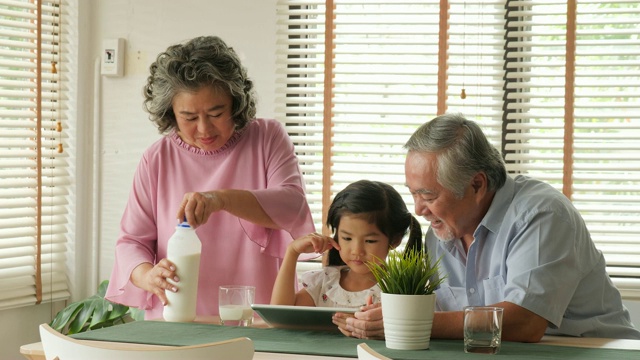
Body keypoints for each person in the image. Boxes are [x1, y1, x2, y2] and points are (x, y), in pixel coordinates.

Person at [333, 113, 640, 341]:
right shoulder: (440, 234)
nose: (419, 210)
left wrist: (406, 321)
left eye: (428, 195)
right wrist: (375, 318)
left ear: (476, 184)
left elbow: (526, 323)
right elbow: (443, 316)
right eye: (414, 193)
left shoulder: (542, 214)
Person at [104, 36, 315, 320]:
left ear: (236, 104)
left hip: (258, 322)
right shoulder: (157, 159)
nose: (204, 129)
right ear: (170, 113)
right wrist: (147, 275)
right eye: (189, 118)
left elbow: (292, 206)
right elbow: (131, 242)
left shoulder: (266, 139)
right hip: (177, 322)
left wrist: (220, 199)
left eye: (216, 113)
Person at [270, 180, 423, 308]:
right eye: (347, 238)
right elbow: (279, 316)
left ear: (394, 240)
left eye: (370, 241)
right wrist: (292, 252)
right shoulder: (324, 284)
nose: (357, 251)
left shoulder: (397, 292)